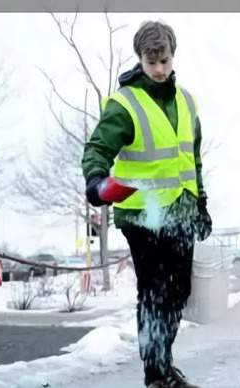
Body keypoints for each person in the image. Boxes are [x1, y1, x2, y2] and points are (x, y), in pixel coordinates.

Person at [81, 20, 211, 388]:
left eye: (164, 61)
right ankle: (156, 374)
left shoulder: (187, 101)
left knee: (179, 291)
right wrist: (96, 181)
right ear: (140, 59)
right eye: (151, 62)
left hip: (181, 210)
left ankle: (164, 363)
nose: (158, 69)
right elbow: (98, 149)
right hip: (142, 212)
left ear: (173, 57)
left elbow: (192, 159)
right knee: (153, 291)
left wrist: (201, 203)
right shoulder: (125, 103)